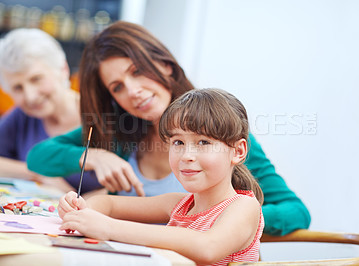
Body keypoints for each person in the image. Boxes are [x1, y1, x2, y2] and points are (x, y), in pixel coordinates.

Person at [27, 21, 310, 235]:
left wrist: (220, 220)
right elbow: (38, 157)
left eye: (137, 71)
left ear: (166, 65)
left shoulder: (220, 135)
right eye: (118, 87)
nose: (133, 91)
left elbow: (295, 212)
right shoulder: (118, 129)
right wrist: (95, 157)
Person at [59, 88, 265, 265]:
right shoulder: (177, 204)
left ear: (238, 151)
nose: (186, 156)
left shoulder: (244, 207)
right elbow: (108, 204)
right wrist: (81, 211)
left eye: (203, 142)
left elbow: (207, 247)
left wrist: (108, 227)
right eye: (178, 142)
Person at [0, 28, 101, 193]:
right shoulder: (21, 116)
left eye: (36, 79)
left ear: (63, 70)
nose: (30, 96)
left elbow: (130, 188)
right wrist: (37, 172)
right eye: (18, 87)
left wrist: (83, 205)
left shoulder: (103, 115)